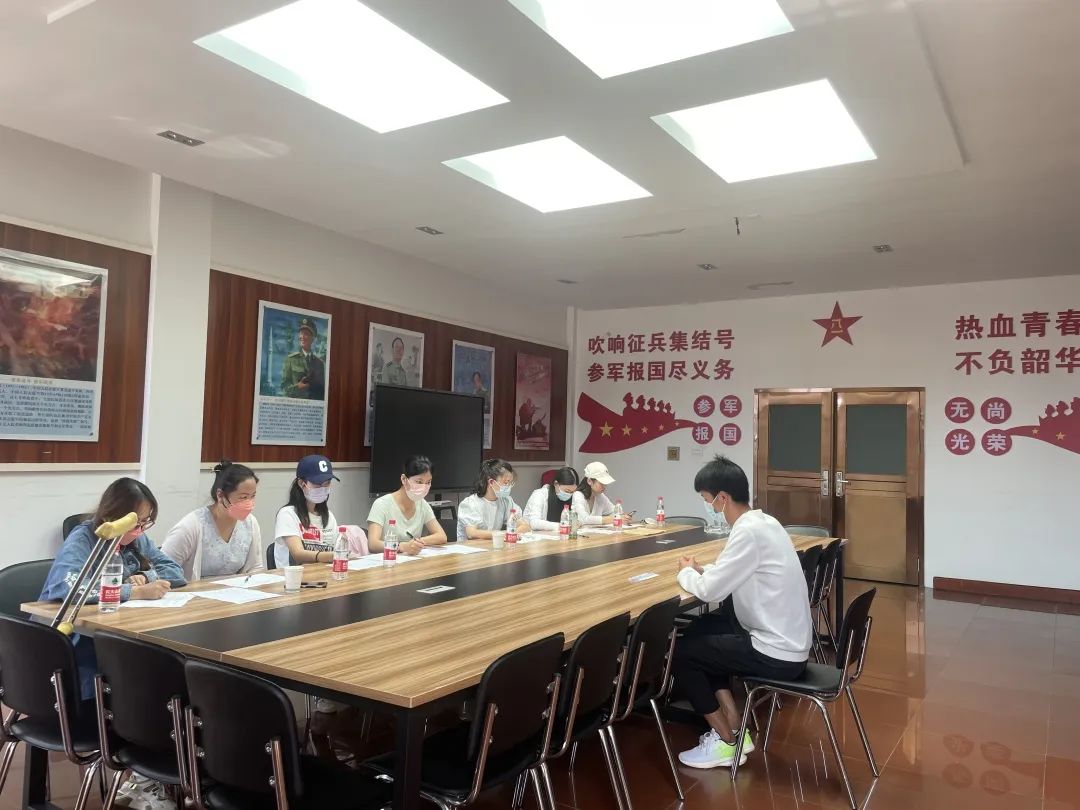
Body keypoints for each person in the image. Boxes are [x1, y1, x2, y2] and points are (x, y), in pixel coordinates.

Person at [672, 456, 813, 770]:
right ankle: (735, 724)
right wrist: (703, 570)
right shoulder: (764, 523)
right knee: (701, 629)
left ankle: (725, 741)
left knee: (683, 654)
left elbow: (710, 591)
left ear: (722, 498)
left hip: (777, 654)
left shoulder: (747, 532)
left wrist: (685, 573)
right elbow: (733, 570)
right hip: (789, 643)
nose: (707, 506)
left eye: (707, 499)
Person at [40, 478, 187, 698]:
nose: (140, 530)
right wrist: (133, 592)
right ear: (114, 516)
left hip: (116, 628)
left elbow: (175, 571)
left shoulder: (137, 539)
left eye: (145, 522)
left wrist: (145, 577)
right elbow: (69, 588)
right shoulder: (82, 538)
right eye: (135, 523)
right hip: (74, 637)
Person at [162, 460, 263, 581]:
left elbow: (255, 568)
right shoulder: (191, 526)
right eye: (243, 497)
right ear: (220, 495)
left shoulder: (250, 523)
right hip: (196, 591)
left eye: (253, 496)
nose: (249, 503)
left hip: (237, 590)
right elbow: (163, 569)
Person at [366, 455, 447, 556]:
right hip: (386, 560)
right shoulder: (381, 504)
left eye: (428, 482)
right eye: (419, 482)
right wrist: (401, 546)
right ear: (404, 479)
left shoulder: (422, 504)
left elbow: (441, 536)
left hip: (410, 561)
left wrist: (416, 543)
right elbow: (373, 544)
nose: (424, 486)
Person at [273, 454, 341, 568]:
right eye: (317, 484)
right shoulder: (287, 514)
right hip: (294, 576)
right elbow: (298, 554)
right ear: (301, 483)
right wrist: (332, 556)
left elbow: (336, 548)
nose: (323, 488)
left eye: (327, 483)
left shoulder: (329, 516)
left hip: (324, 574)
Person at [457, 459, 529, 540]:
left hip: (493, 545)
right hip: (470, 547)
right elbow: (472, 533)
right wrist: (503, 534)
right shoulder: (470, 503)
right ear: (491, 482)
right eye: (506, 482)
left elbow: (525, 526)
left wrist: (513, 533)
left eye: (510, 483)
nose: (508, 486)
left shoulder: (506, 501)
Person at [280, 317, 325, 400]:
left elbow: (322, 392)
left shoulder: (319, 363)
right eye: (301, 334)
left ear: (313, 338)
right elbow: (284, 388)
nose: (302, 337)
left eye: (306, 334)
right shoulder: (291, 360)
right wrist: (298, 387)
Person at [575, 461, 624, 525]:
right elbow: (584, 519)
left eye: (605, 483)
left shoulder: (600, 496)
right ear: (589, 481)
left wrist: (623, 517)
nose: (604, 486)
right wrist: (612, 519)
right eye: (601, 483)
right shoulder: (578, 495)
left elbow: (613, 511)